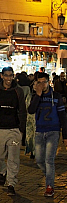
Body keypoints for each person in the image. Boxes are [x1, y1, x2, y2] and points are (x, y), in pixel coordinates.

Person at [28, 73, 67, 197]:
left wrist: (66, 136)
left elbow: (63, 117)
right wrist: (38, 95)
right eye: (39, 82)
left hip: (53, 131)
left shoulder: (56, 96)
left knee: (49, 160)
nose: (42, 85)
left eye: (44, 82)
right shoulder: (35, 96)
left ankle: (49, 186)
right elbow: (31, 110)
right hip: (39, 131)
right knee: (39, 160)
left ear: (49, 82)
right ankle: (50, 176)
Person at [0, 66, 27, 196]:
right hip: (0, 129)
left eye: (10, 75)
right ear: (2, 76)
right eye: (6, 75)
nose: (8, 78)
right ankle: (3, 172)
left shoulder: (18, 91)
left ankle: (11, 183)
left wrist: (21, 129)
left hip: (13, 129)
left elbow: (22, 110)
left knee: (13, 158)